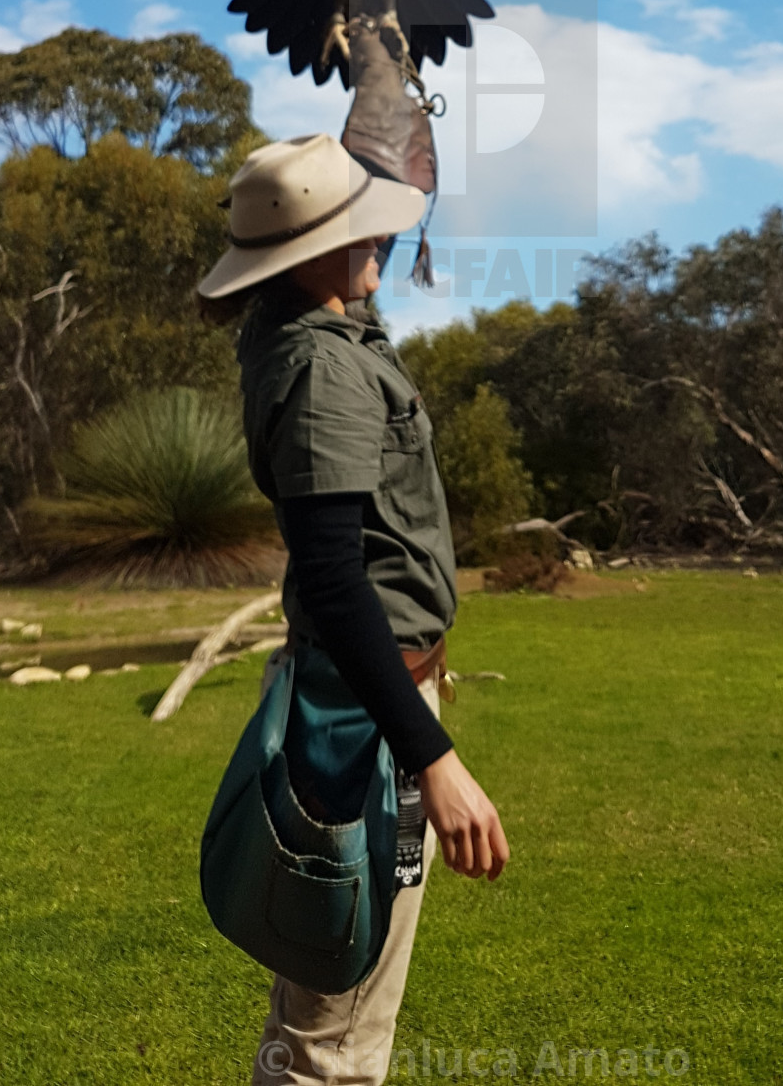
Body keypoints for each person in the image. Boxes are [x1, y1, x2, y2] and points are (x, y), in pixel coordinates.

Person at [198, 133, 510, 1086]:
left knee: (327, 998)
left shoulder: (314, 329)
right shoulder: (325, 371)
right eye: (358, 230)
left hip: (363, 699)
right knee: (334, 1032)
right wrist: (436, 759)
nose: (380, 242)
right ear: (309, 255)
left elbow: (354, 305)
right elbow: (336, 582)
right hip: (360, 716)